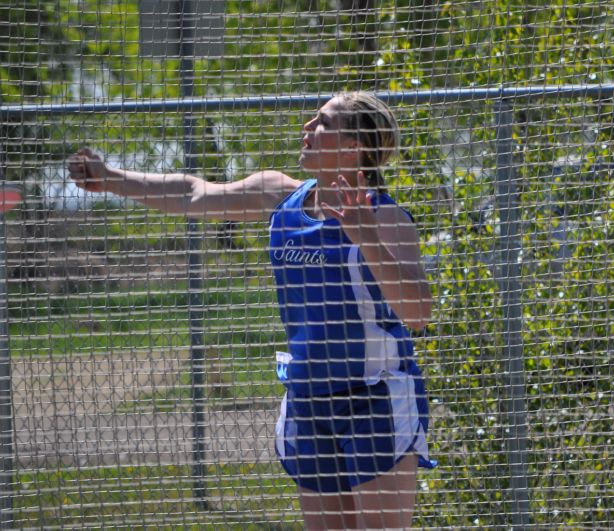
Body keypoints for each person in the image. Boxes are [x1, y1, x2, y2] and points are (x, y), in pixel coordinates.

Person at [67, 91, 435, 529]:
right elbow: (193, 193)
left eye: (322, 122)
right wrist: (111, 178)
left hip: (374, 398)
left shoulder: (386, 218)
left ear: (355, 146)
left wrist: (366, 238)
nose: (307, 129)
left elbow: (418, 312)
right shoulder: (281, 197)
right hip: (309, 401)